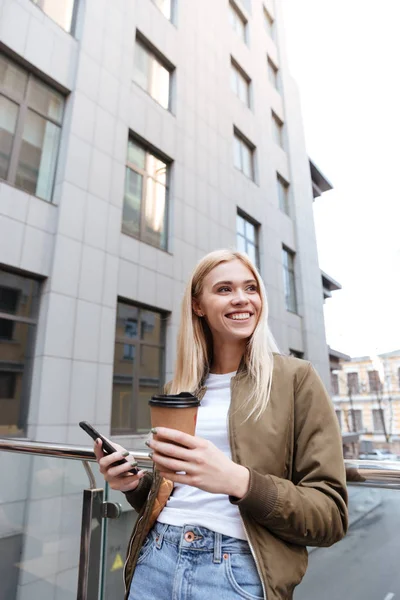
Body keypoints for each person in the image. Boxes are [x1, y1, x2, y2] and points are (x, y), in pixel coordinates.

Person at [94, 249, 348, 600]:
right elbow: (179, 493)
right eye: (224, 289)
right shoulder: (179, 388)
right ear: (198, 305)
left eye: (251, 288)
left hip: (234, 571)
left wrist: (238, 481)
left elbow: (330, 516)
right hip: (155, 558)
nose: (242, 299)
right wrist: (134, 485)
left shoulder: (295, 379)